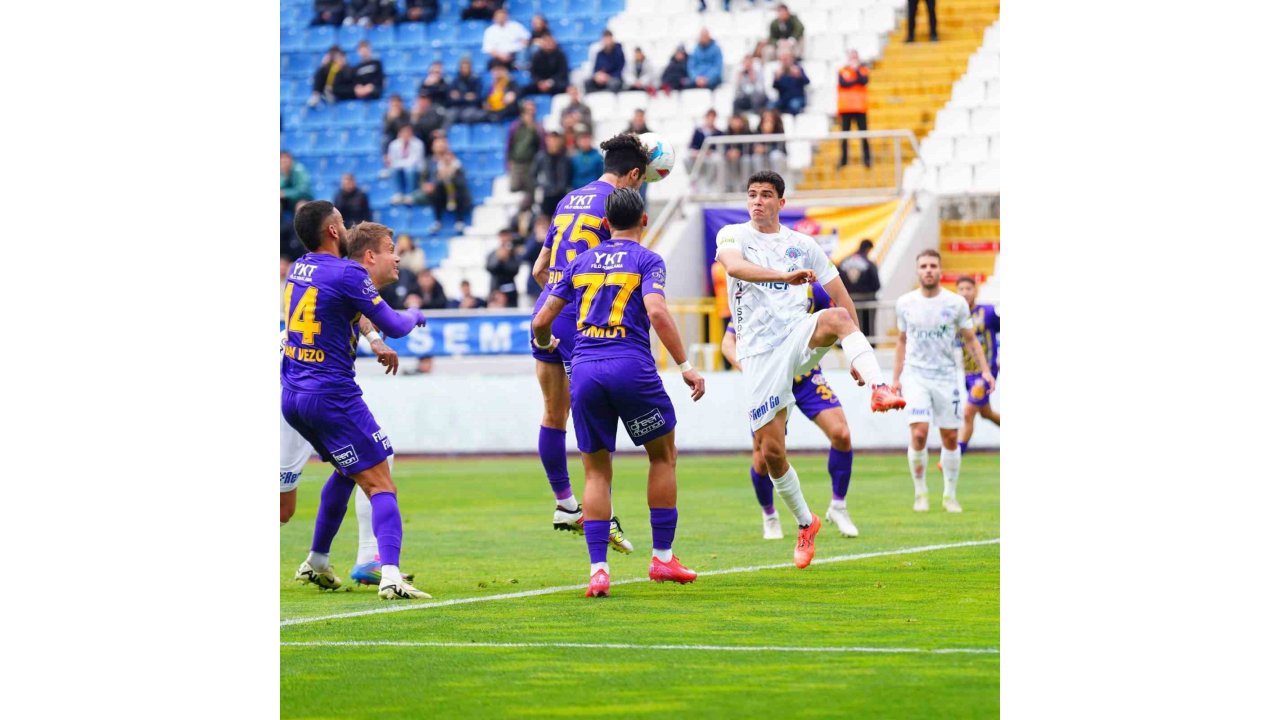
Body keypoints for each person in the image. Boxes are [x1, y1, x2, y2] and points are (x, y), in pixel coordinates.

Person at [713, 171, 905, 568]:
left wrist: (858, 354)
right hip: (761, 355)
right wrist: (784, 277)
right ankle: (806, 521)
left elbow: (840, 295)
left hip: (797, 335)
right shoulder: (733, 235)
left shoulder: (804, 245)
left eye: (767, 195)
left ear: (781, 203)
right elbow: (733, 268)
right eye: (752, 194)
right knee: (771, 454)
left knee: (835, 316)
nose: (758, 201)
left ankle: (880, 387)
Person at [532, 187, 706, 598]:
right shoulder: (648, 260)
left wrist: (545, 344)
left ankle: (598, 570)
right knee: (662, 456)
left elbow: (542, 319)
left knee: (596, 470)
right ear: (644, 221)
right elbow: (658, 312)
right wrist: (686, 366)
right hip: (631, 366)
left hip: (587, 371)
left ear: (605, 224)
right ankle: (662, 557)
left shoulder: (580, 262)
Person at [283, 202, 432, 600]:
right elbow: (398, 325)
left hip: (293, 395)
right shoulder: (349, 273)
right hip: (331, 396)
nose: (347, 226)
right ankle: (389, 574)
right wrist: (416, 313)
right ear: (333, 231)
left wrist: (372, 339)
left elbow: (347, 309)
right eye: (341, 222)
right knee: (381, 481)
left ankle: (317, 559)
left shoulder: (300, 267)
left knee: (346, 471)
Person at [527, 133, 651, 553]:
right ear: (633, 174)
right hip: (583, 322)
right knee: (597, 422)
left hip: (547, 308)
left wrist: (558, 298)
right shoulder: (614, 208)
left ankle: (565, 504)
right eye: (641, 180)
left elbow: (540, 268)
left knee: (552, 414)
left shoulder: (568, 200)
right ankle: (603, 515)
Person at [721, 281, 858, 539]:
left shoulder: (812, 290)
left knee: (841, 434)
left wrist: (856, 356)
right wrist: (750, 370)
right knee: (763, 459)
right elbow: (728, 342)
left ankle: (838, 506)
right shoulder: (753, 291)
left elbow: (835, 322)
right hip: (768, 381)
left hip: (805, 377)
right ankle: (770, 515)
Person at [891, 250, 994, 513]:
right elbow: (901, 341)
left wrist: (985, 371)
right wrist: (896, 379)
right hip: (916, 376)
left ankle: (949, 495)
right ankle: (920, 492)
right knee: (919, 432)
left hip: (947, 376)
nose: (928, 270)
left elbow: (970, 339)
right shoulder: (905, 303)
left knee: (949, 437)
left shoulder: (955, 303)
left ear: (940, 270)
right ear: (917, 271)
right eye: (923, 265)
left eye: (933, 266)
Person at [954, 276, 1000, 454]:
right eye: (961, 289)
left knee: (968, 412)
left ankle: (956, 454)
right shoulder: (956, 317)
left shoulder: (988, 312)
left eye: (968, 288)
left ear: (976, 291)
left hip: (987, 372)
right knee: (986, 413)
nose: (965, 292)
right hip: (968, 373)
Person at [416, 138, 472, 233]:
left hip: (456, 193)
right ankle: (437, 220)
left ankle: (459, 220)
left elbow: (462, 182)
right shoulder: (430, 162)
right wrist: (426, 185)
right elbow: (424, 178)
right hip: (439, 194)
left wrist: (452, 174)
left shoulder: (456, 164)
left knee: (456, 190)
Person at [837, 50, 872, 169]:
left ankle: (867, 159)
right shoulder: (842, 70)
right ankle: (843, 160)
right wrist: (855, 79)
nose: (853, 59)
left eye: (855, 57)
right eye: (851, 57)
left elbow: (864, 81)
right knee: (844, 136)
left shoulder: (862, 69)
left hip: (860, 107)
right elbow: (843, 83)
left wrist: (855, 71)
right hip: (846, 108)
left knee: (864, 135)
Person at [838, 238, 881, 335]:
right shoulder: (869, 264)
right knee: (867, 330)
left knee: (850, 330)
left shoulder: (843, 262)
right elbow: (876, 285)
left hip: (847, 302)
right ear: (868, 249)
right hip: (867, 302)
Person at [506, 101, 544, 198]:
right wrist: (508, 161)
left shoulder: (538, 127)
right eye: (528, 111)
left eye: (532, 110)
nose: (530, 113)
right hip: (517, 163)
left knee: (530, 191)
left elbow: (542, 145)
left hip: (532, 163)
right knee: (514, 188)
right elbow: (509, 145)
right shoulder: (515, 127)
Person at [531, 131, 573, 217]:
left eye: (555, 140)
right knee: (547, 219)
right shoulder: (540, 157)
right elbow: (533, 175)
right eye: (551, 140)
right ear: (546, 141)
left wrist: (565, 186)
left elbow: (570, 174)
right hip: (547, 195)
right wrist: (542, 185)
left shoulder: (565, 158)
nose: (553, 142)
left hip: (562, 194)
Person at [384, 124, 426, 204]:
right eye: (403, 133)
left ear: (411, 134)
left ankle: (411, 195)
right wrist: (402, 164)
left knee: (410, 170)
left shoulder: (418, 143)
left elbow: (414, 160)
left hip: (416, 168)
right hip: (400, 167)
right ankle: (398, 194)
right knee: (393, 170)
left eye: (408, 133)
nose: (405, 135)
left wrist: (401, 164)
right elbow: (392, 161)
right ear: (399, 134)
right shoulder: (394, 144)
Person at [686, 109, 723, 191]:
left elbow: (719, 149)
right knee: (686, 158)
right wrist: (698, 152)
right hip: (699, 155)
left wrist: (709, 152)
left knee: (716, 160)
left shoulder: (719, 132)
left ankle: (708, 183)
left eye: (713, 118)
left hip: (710, 156)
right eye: (709, 117)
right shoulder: (698, 131)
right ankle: (693, 180)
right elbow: (692, 146)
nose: (711, 120)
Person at [487, 230, 523, 307]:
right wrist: (499, 260)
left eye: (506, 236)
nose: (504, 239)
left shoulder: (514, 254)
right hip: (495, 291)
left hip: (510, 293)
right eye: (503, 236)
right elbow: (489, 268)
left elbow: (515, 270)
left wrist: (506, 259)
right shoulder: (493, 254)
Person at [446, 56, 484, 123]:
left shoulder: (476, 81)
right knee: (449, 113)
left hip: (471, 108)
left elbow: (477, 99)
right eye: (463, 68)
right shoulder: (455, 81)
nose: (464, 70)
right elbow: (450, 99)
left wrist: (459, 96)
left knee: (467, 115)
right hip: (457, 108)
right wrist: (466, 97)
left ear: (470, 68)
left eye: (467, 68)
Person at [753, 108, 788, 175]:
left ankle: (776, 180)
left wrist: (766, 149)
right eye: (765, 119)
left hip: (777, 156)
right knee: (756, 157)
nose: (768, 121)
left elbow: (781, 148)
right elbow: (754, 146)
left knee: (775, 155)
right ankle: (760, 179)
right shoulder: (758, 131)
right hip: (763, 157)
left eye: (770, 119)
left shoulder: (779, 130)